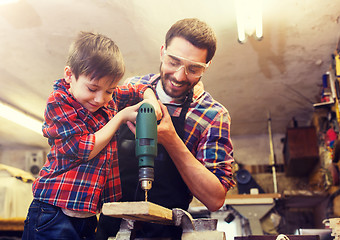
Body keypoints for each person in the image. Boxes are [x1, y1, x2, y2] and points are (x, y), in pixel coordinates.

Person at [96, 18, 236, 239]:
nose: (180, 76)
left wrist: (171, 139)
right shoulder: (130, 89)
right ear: (162, 52)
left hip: (166, 232)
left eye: (194, 68)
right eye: (173, 61)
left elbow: (215, 199)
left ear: (206, 67)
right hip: (110, 230)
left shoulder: (213, 115)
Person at [21, 31, 160, 240]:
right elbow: (83, 148)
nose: (100, 99)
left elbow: (139, 88)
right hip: (53, 211)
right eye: (92, 88)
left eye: (109, 91)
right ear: (69, 75)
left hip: (87, 215)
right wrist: (120, 117)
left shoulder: (107, 98)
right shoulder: (58, 102)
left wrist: (152, 101)